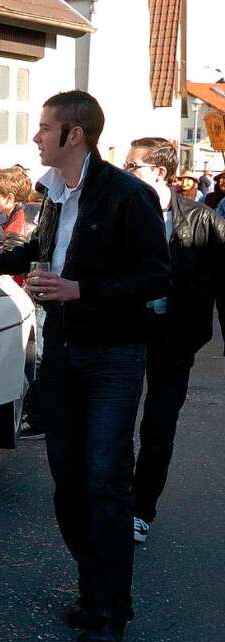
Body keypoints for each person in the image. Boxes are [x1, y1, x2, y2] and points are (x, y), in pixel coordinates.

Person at [0, 90, 170, 642]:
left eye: (45, 128)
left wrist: (79, 290)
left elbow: (156, 277)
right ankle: (95, 587)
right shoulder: (54, 194)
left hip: (115, 356)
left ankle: (108, 612)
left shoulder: (129, 195)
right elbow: (38, 252)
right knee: (69, 484)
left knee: (104, 481)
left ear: (75, 135)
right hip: (65, 352)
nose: (36, 137)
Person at [122, 137, 225, 544]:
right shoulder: (122, 212)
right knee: (113, 422)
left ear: (158, 173)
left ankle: (141, 509)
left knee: (158, 427)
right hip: (124, 333)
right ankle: (114, 501)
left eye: (134, 166)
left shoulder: (205, 221)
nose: (125, 171)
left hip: (176, 339)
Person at [0, 166, 44, 438]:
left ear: (9, 198)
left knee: (34, 360)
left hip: (32, 297)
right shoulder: (27, 212)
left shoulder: (19, 220)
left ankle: (38, 419)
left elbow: (11, 260)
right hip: (35, 294)